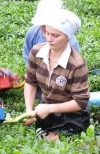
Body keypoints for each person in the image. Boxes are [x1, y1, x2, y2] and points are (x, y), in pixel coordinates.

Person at [22, 8, 89, 140]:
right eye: (46, 33)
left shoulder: (76, 64)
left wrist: (50, 109)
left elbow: (80, 102)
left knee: (62, 140)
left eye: (55, 35)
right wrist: (29, 109)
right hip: (46, 108)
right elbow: (30, 82)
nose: (49, 39)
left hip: (72, 113)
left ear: (67, 37)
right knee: (41, 136)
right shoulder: (36, 52)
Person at [23, 0, 81, 64]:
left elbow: (74, 66)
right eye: (42, 24)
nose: (49, 39)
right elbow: (27, 54)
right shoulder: (33, 32)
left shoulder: (72, 44)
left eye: (55, 35)